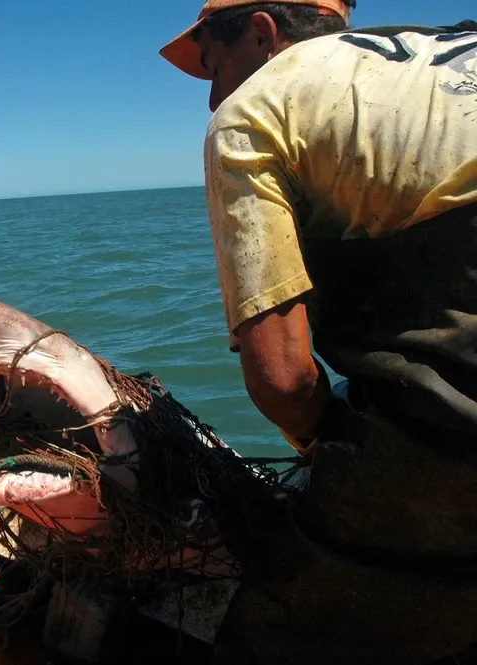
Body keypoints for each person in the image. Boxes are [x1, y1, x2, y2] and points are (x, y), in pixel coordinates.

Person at [160, 2, 477, 664]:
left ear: (262, 32)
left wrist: (327, 447)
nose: (213, 97)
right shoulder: (441, 48)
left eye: (213, 69)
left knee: (283, 631)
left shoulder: (254, 111)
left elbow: (282, 380)